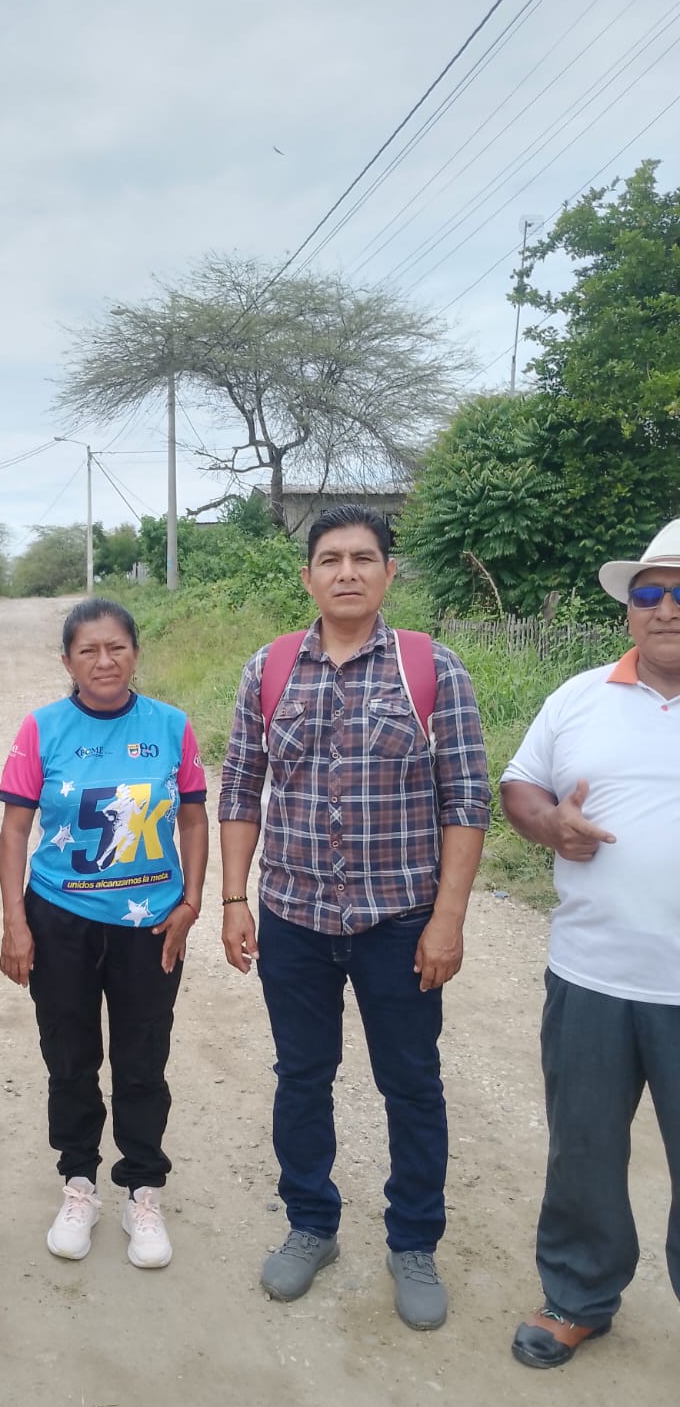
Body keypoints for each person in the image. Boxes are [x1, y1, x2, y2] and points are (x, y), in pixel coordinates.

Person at [218, 505, 490, 1329]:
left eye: (363, 558)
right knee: (301, 1077)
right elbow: (239, 789)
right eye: (330, 559)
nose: (347, 572)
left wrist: (448, 920)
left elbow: (466, 799)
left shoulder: (432, 668)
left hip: (399, 921)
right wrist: (235, 899)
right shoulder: (269, 669)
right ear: (308, 576)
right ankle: (311, 1224)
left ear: (388, 573)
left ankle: (413, 1241)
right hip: (294, 917)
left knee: (410, 1082)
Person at [501, 518, 680, 1368]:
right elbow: (520, 786)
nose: (667, 607)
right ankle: (577, 1296)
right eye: (651, 591)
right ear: (629, 608)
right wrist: (551, 826)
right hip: (593, 975)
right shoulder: (577, 698)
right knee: (584, 1149)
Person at [0, 598, 208, 1269]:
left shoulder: (172, 726)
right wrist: (14, 922)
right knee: (70, 1055)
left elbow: (194, 819)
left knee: (144, 1058)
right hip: (59, 919)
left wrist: (192, 902)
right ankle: (80, 1183)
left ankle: (143, 1190)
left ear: (136, 653)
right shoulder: (42, 729)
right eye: (88, 650)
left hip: (151, 926)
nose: (104, 661)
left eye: (116, 647)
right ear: (67, 661)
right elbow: (14, 830)